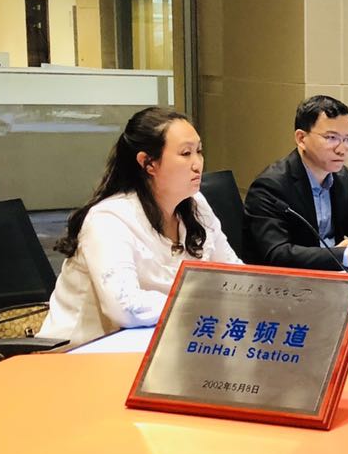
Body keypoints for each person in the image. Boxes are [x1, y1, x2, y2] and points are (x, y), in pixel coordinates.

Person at [40, 106, 242, 346]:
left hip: (160, 344)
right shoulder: (109, 219)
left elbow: (235, 274)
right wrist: (201, 304)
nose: (197, 164)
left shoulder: (196, 204)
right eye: (185, 153)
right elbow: (125, 307)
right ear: (148, 163)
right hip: (80, 352)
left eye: (199, 151)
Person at [244, 95, 348, 272]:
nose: (342, 149)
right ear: (301, 138)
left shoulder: (342, 178)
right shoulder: (271, 186)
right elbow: (277, 253)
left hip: (338, 277)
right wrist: (345, 256)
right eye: (331, 138)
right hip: (294, 283)